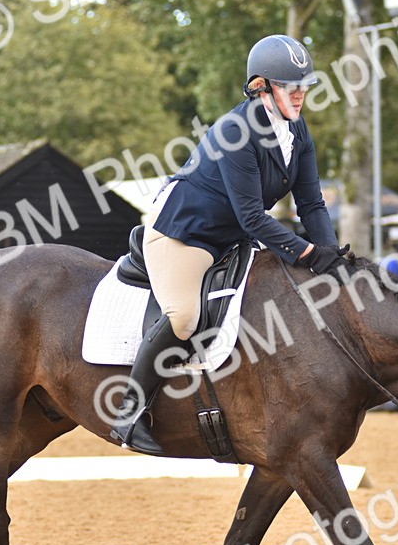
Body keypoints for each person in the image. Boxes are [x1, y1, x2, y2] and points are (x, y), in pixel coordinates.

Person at [110, 34, 349, 454]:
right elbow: (253, 218)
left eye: (304, 85)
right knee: (184, 317)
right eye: (290, 86)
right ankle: (128, 410)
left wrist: (328, 253)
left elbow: (311, 202)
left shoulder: (297, 130)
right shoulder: (236, 131)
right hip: (186, 232)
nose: (301, 94)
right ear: (261, 87)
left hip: (232, 236)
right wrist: (307, 253)